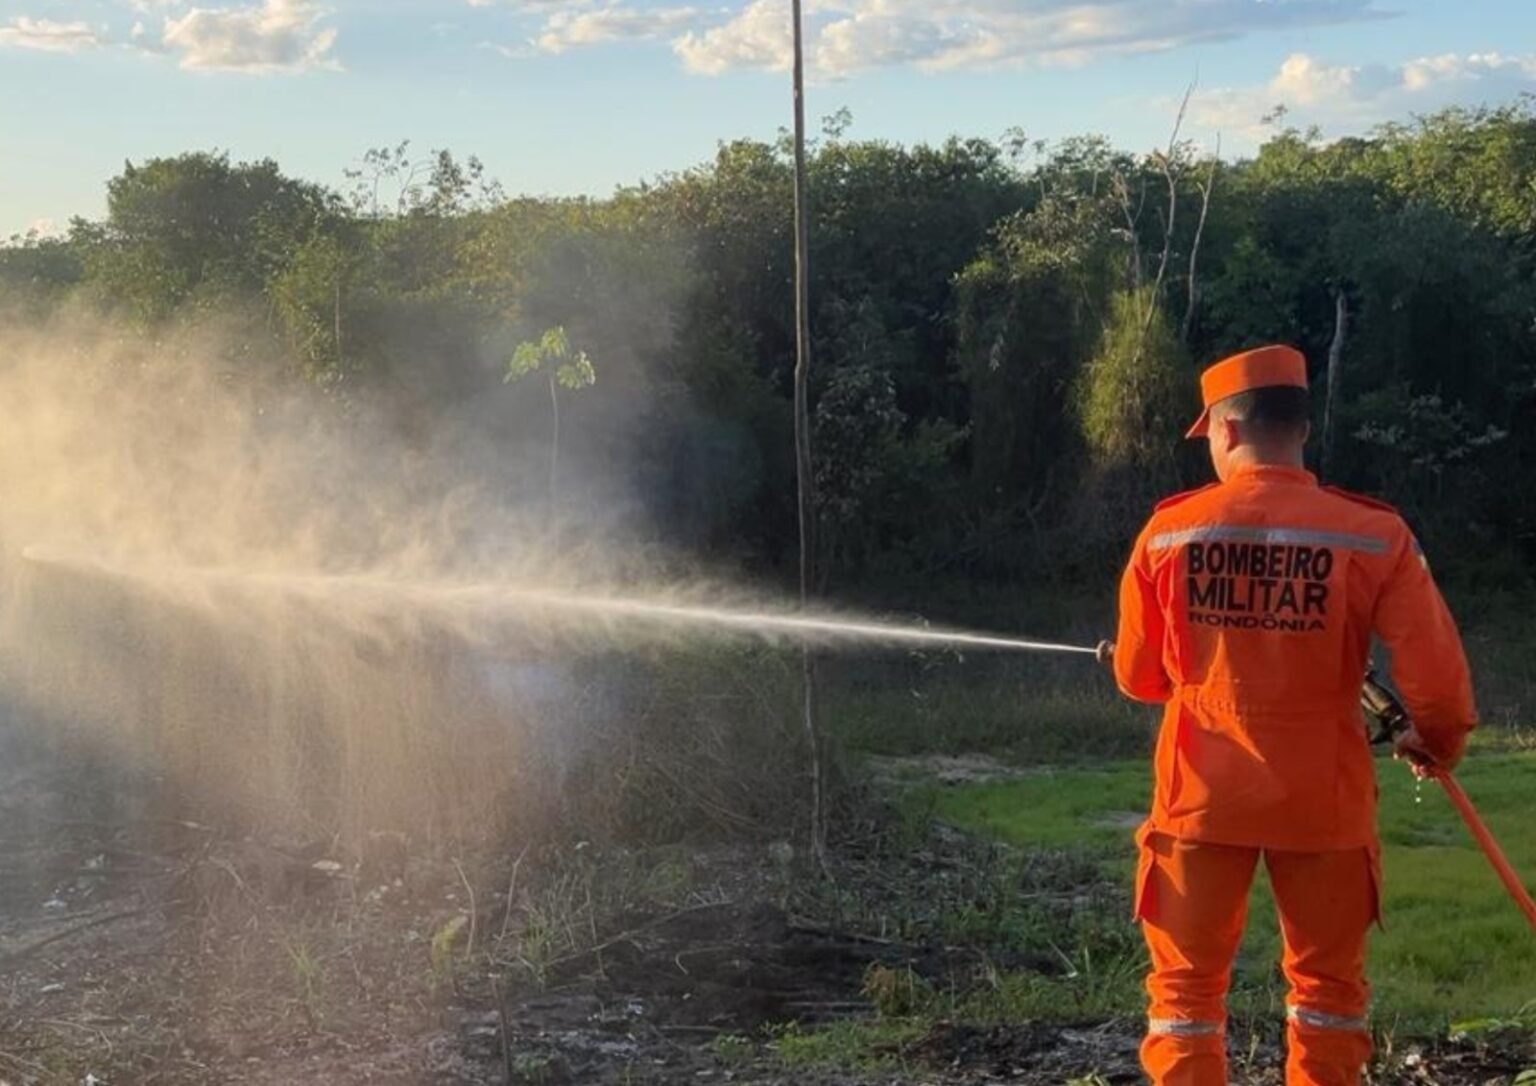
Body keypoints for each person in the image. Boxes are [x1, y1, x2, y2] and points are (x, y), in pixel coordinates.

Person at [1096, 344, 1478, 1086]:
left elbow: (1143, 679)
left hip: (1200, 804)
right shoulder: (1373, 535)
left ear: (1227, 431)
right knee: (1328, 999)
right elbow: (1437, 678)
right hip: (1324, 805)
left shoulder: (1170, 533)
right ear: (1299, 428)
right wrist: (1433, 741)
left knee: (1184, 1001)